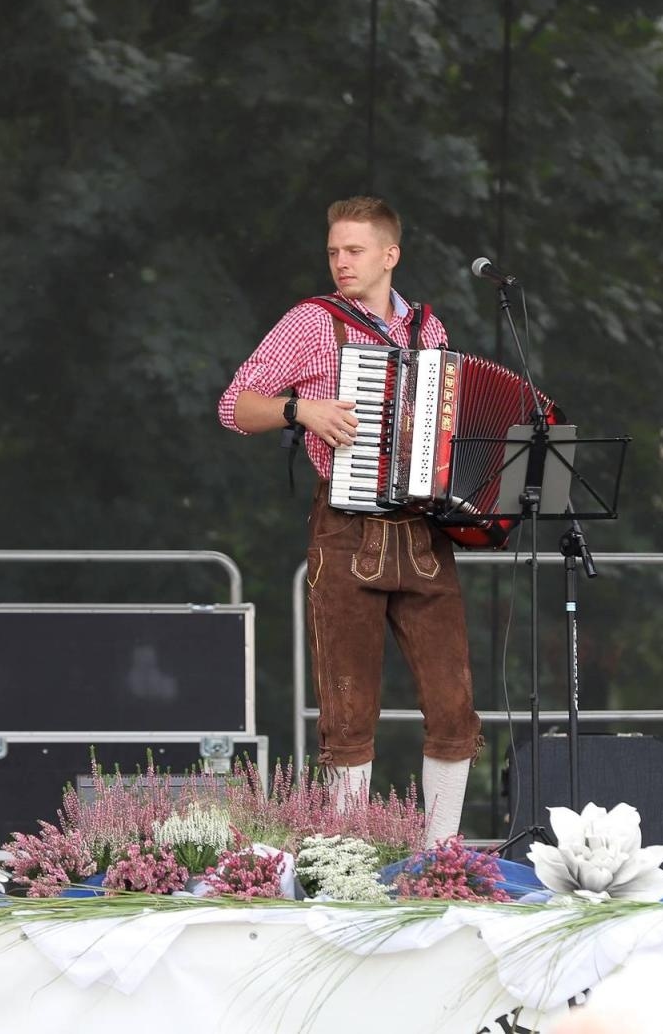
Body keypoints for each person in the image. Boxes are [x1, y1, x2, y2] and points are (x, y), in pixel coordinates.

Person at [217, 196, 481, 845]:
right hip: (345, 526)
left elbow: (445, 428)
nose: (341, 262)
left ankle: (440, 854)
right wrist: (300, 411)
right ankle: (347, 860)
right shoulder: (312, 323)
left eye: (354, 250)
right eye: (334, 250)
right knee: (348, 710)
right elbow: (234, 405)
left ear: (390, 255)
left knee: (453, 706)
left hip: (422, 532)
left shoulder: (430, 330)